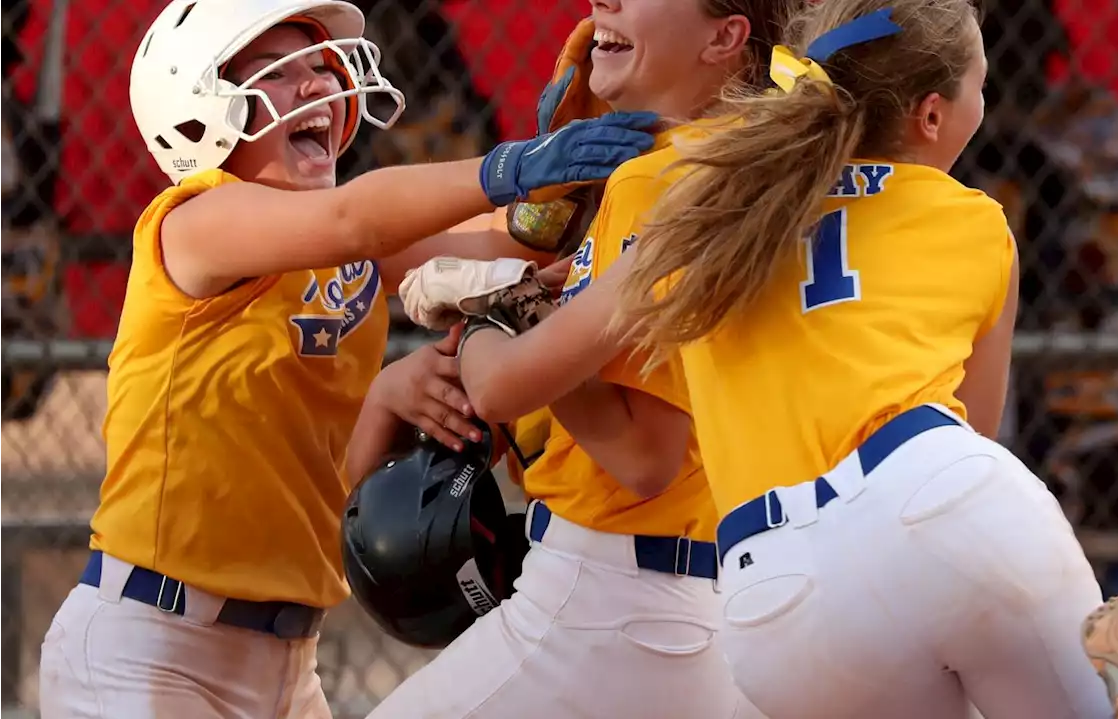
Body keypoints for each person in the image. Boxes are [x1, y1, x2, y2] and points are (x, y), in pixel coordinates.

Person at [403, 1, 1118, 718]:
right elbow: (976, 431)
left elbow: (517, 380)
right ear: (931, 115)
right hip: (935, 486)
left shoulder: (704, 197)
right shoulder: (971, 218)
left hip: (773, 580)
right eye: (978, 90)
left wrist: (489, 305)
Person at [35, 0, 659, 716]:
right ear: (196, 107)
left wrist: (561, 197)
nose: (317, 87)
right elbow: (352, 217)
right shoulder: (194, 223)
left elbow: (509, 245)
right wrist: (513, 166)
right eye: (280, 71)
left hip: (289, 661)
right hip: (152, 648)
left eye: (320, 69)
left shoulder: (356, 251)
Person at [350, 2, 792, 718]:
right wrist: (544, 215)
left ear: (726, 36)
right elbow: (386, 246)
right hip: (691, 598)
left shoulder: (666, 183)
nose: (602, 4)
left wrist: (505, 310)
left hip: (607, 594)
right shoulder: (727, 168)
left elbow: (644, 453)